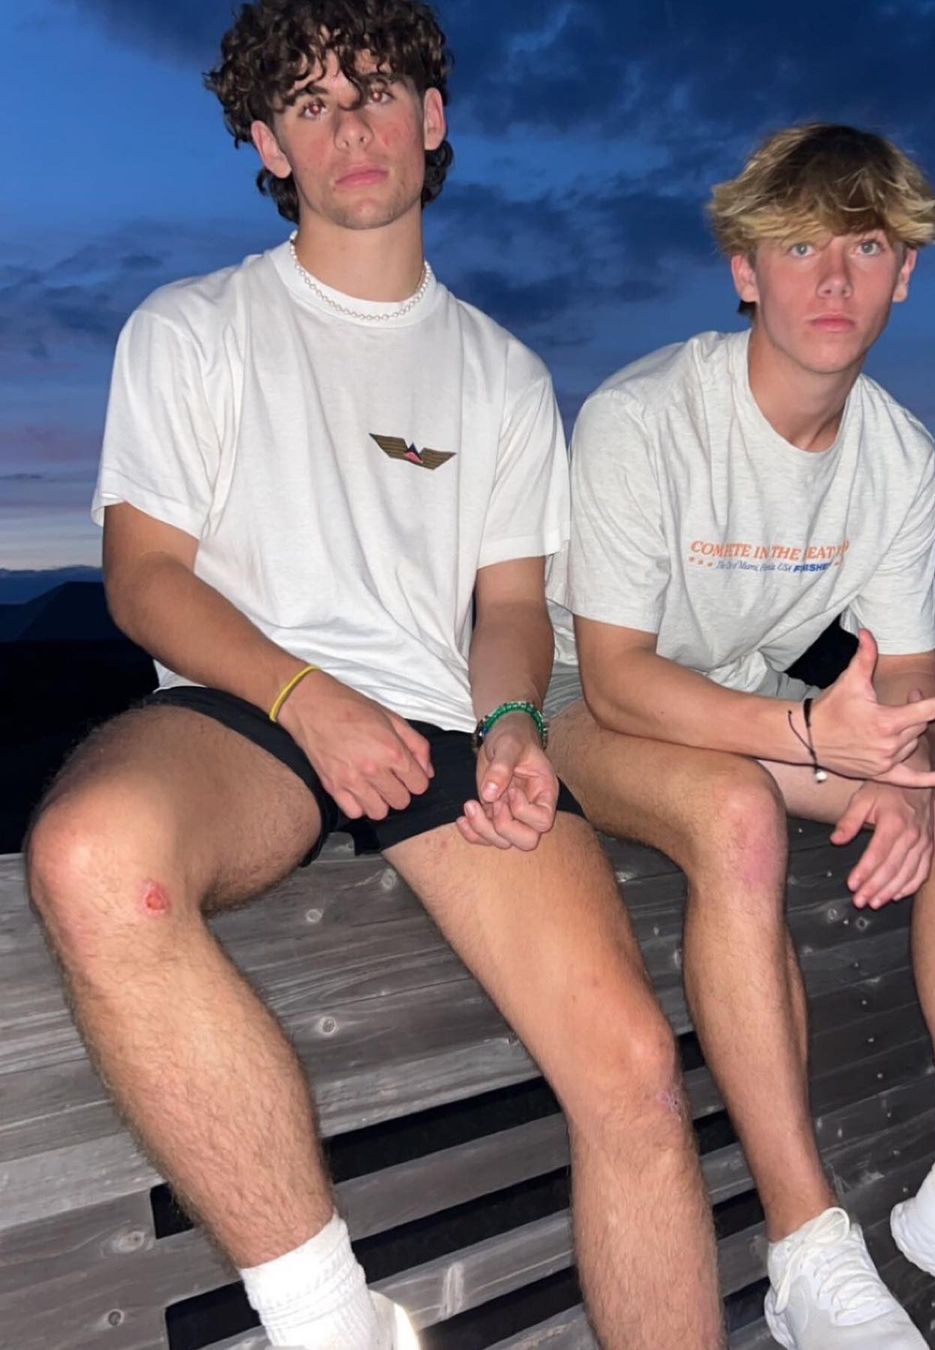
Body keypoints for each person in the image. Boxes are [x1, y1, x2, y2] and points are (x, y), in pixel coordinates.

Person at [23, 3, 725, 1347]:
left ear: (432, 117)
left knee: (635, 1070)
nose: (350, 125)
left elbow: (510, 604)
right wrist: (306, 698)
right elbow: (147, 577)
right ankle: (332, 1320)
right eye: (311, 102)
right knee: (96, 858)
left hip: (442, 723)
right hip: (244, 708)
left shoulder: (504, 376)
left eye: (377, 90)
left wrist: (513, 719)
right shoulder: (194, 327)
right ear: (268, 144)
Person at [546, 122, 935, 1349]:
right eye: (798, 248)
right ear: (744, 271)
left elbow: (911, 666)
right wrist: (809, 735)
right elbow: (617, 677)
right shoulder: (645, 418)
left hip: (747, 694)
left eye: (866, 248)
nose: (834, 279)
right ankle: (805, 1249)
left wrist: (904, 770)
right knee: (736, 814)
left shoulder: (898, 451)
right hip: (583, 700)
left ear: (906, 275)